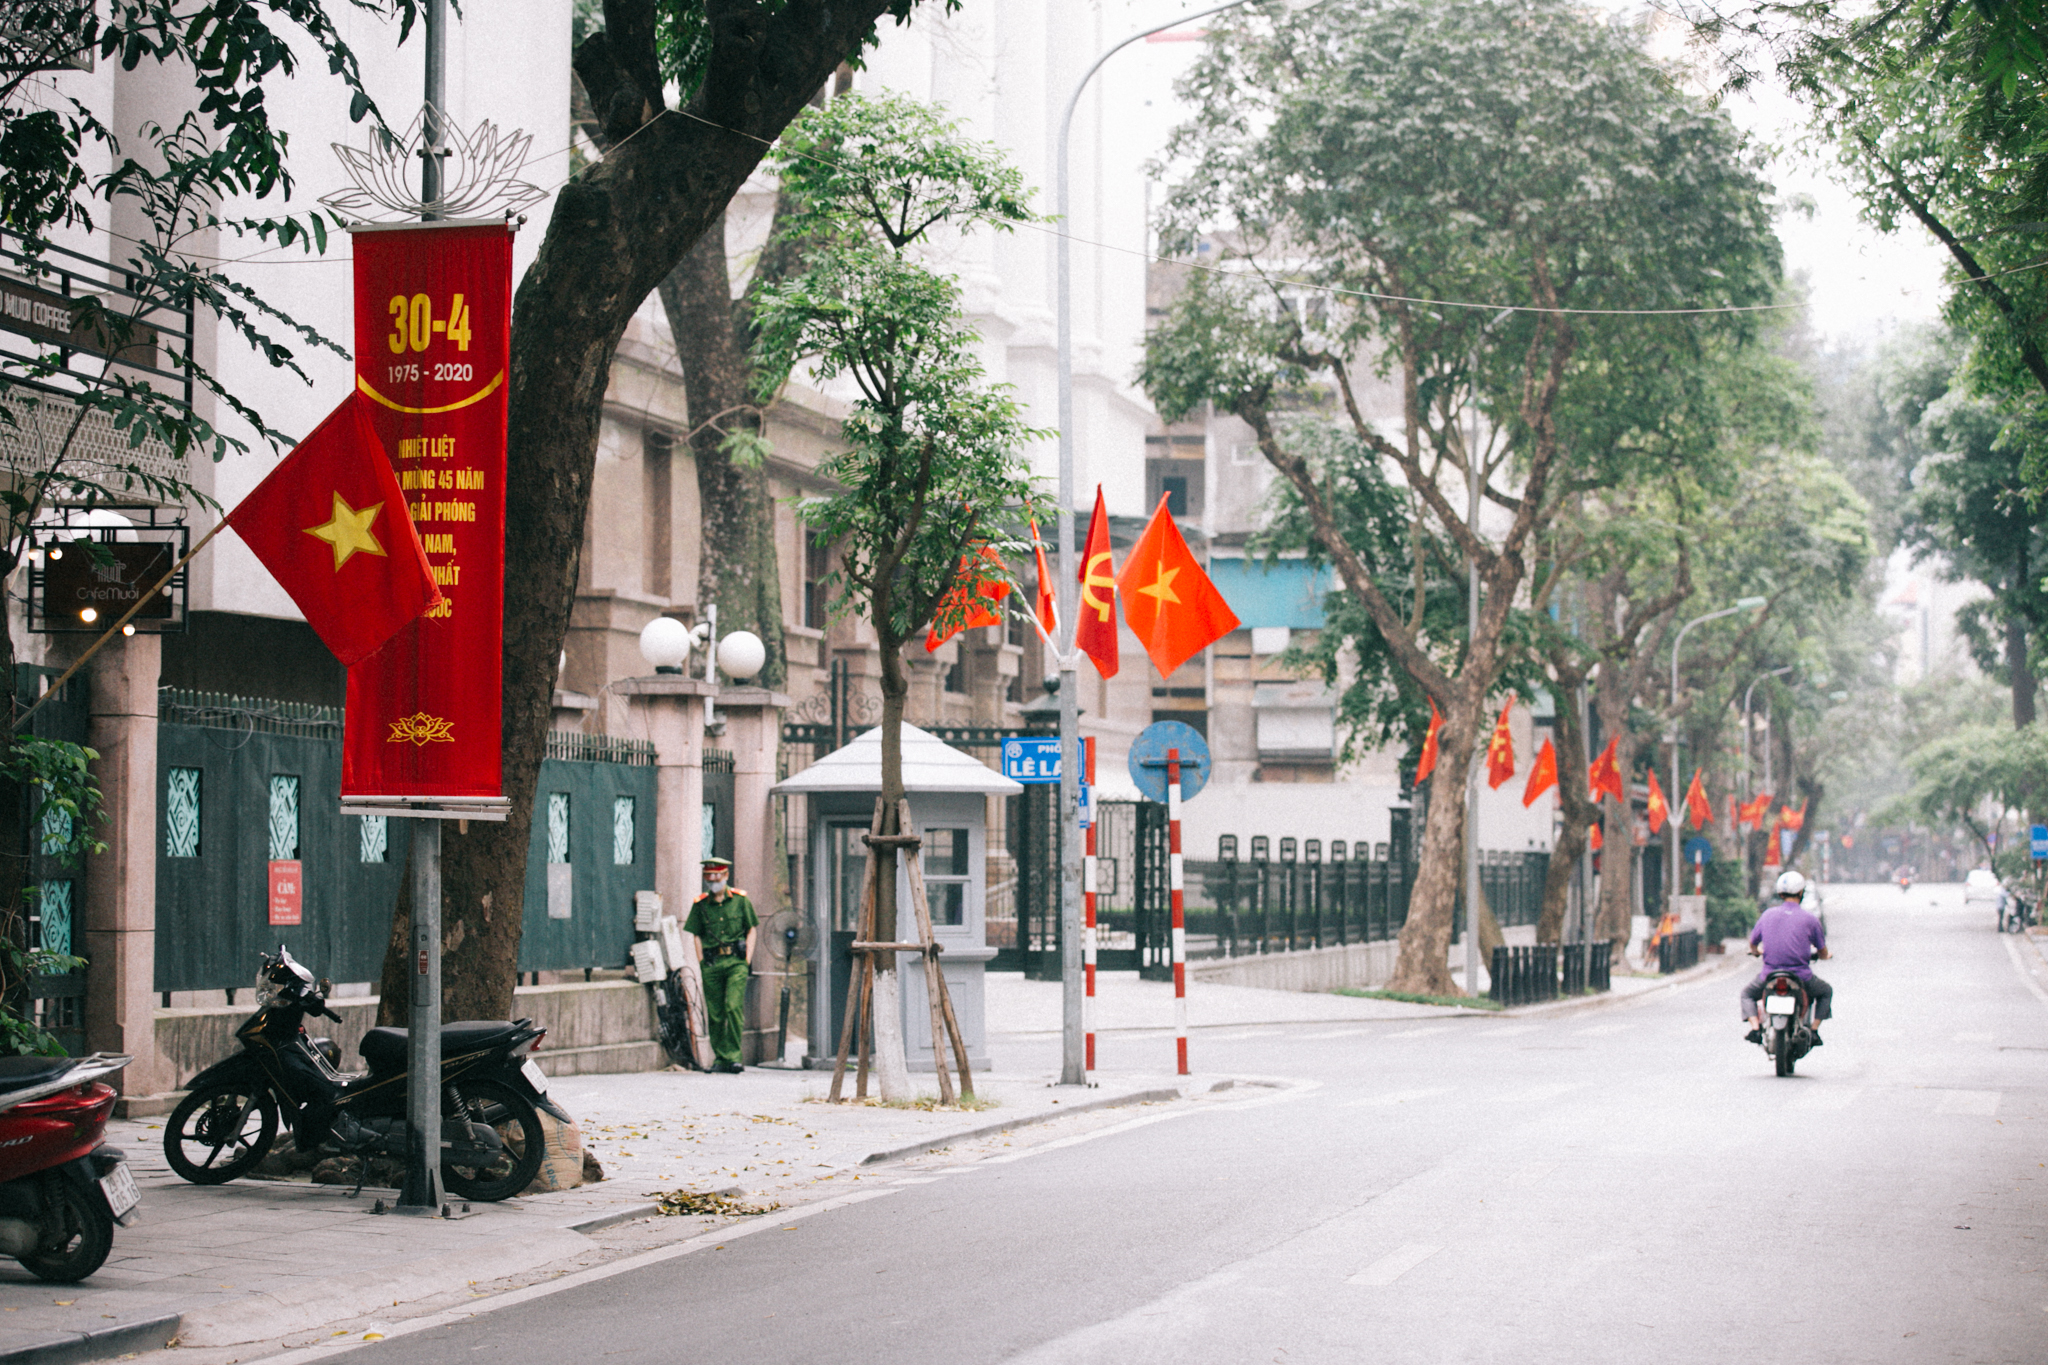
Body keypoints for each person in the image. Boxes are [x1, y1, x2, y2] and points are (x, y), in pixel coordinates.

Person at [1742, 869, 1832, 1045]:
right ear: (1801, 892)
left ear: (1780, 893)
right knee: (1825, 991)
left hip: (1769, 975)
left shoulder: (1767, 915)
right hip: (1801, 976)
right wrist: (1825, 956)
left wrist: (1756, 951)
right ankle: (1814, 1031)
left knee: (1747, 994)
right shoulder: (1810, 919)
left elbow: (1753, 943)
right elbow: (1822, 950)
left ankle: (1755, 1028)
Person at [684, 856, 757, 1074]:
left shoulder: (740, 900)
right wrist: (701, 962)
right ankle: (720, 1057)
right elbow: (696, 934)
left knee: (733, 1007)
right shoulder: (700, 904)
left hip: (735, 962)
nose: (713, 882)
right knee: (715, 1013)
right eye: (709, 878)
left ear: (726, 876)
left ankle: (733, 1056)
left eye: (716, 877)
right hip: (712, 963)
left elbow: (752, 929)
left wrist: (747, 959)